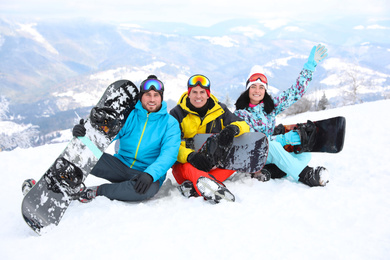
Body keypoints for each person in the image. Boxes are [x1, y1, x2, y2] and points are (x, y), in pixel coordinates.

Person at [72, 75, 181, 202]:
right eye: (147, 95)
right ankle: (68, 180)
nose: (152, 99)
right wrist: (84, 134)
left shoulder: (170, 123)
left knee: (144, 190)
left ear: (161, 97)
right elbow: (105, 136)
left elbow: (169, 154)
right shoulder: (129, 116)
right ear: (141, 96)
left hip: (145, 174)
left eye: (156, 95)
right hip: (120, 166)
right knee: (84, 154)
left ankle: (98, 191)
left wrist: (150, 174)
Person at [234, 44, 329, 187]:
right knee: (273, 146)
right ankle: (306, 175)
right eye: (253, 86)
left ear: (265, 90)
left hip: (269, 154)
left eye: (261, 87)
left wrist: (310, 66)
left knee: (304, 155)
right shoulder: (241, 113)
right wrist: (283, 139)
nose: (257, 91)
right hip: (251, 156)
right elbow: (253, 141)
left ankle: (269, 172)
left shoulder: (270, 107)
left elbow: (295, 91)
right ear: (247, 89)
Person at [170, 74, 250, 204]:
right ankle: (213, 189)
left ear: (208, 94)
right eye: (194, 92)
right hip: (186, 166)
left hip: (212, 164)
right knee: (187, 168)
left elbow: (244, 125)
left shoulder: (219, 110)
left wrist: (232, 129)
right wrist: (190, 156)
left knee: (234, 160)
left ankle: (196, 188)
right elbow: (170, 145)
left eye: (202, 92)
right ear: (188, 94)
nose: (198, 96)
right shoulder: (177, 114)